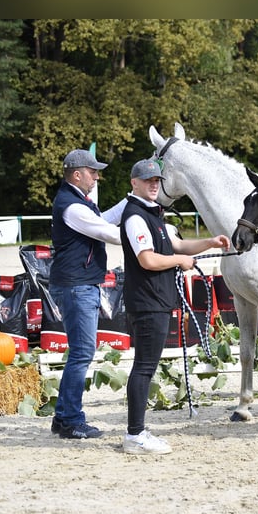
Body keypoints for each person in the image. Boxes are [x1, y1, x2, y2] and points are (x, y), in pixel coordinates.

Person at [121, 158, 231, 455]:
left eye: (157, 180)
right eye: (148, 180)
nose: (154, 184)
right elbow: (148, 259)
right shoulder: (135, 217)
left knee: (146, 366)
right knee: (144, 367)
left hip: (156, 300)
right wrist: (179, 263)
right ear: (134, 183)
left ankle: (137, 431)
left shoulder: (154, 215)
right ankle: (135, 434)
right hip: (147, 301)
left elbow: (178, 246)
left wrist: (209, 242)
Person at [50, 149, 129, 439]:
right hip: (77, 286)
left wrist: (130, 199)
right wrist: (149, 237)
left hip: (78, 284)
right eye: (92, 171)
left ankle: (62, 418)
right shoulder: (72, 207)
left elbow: (104, 219)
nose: (97, 176)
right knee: (82, 353)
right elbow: (108, 232)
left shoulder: (77, 202)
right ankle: (71, 420)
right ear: (77, 174)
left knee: (79, 353)